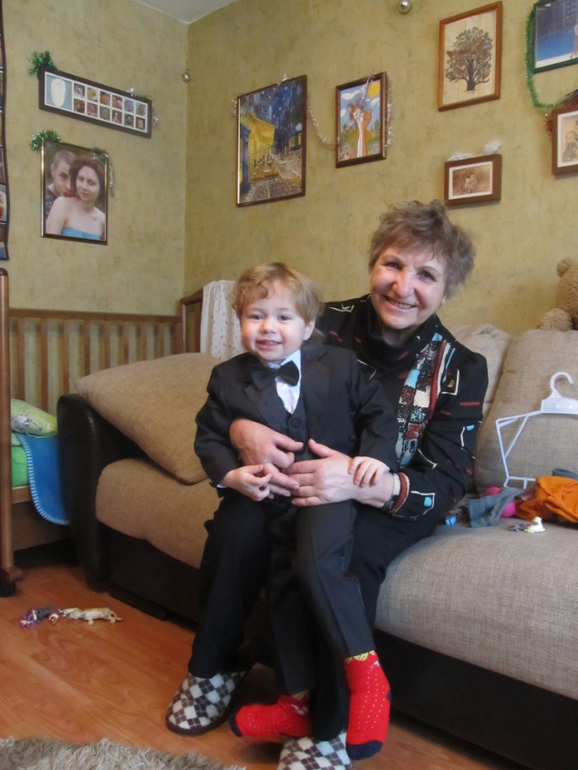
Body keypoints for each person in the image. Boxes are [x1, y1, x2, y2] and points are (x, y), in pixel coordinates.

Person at [166, 200, 489, 770]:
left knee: (345, 556)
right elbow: (249, 382)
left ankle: (329, 724)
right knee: (239, 525)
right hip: (292, 481)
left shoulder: (459, 367)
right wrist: (240, 431)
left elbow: (447, 481)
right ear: (373, 262)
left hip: (383, 499)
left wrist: (363, 483)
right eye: (393, 264)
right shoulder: (323, 320)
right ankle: (214, 667)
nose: (403, 286)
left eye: (426, 274)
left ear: (447, 288)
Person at [168, 262, 399, 760]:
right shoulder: (227, 378)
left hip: (324, 496)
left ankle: (366, 679)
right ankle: (290, 699)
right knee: (281, 584)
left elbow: (380, 414)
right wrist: (231, 476)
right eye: (256, 316)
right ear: (239, 321)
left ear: (308, 326)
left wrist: (375, 460)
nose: (268, 328)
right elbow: (209, 437)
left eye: (283, 317)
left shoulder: (341, 366)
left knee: (313, 566)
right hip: (264, 499)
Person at [45, 155, 105, 241]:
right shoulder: (62, 204)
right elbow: (49, 243)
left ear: (101, 188)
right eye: (81, 179)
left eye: (91, 183)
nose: (84, 187)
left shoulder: (103, 220)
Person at [44, 149, 75, 220]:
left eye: (73, 179)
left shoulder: (78, 200)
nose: (69, 186)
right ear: (53, 170)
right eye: (63, 176)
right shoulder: (43, 202)